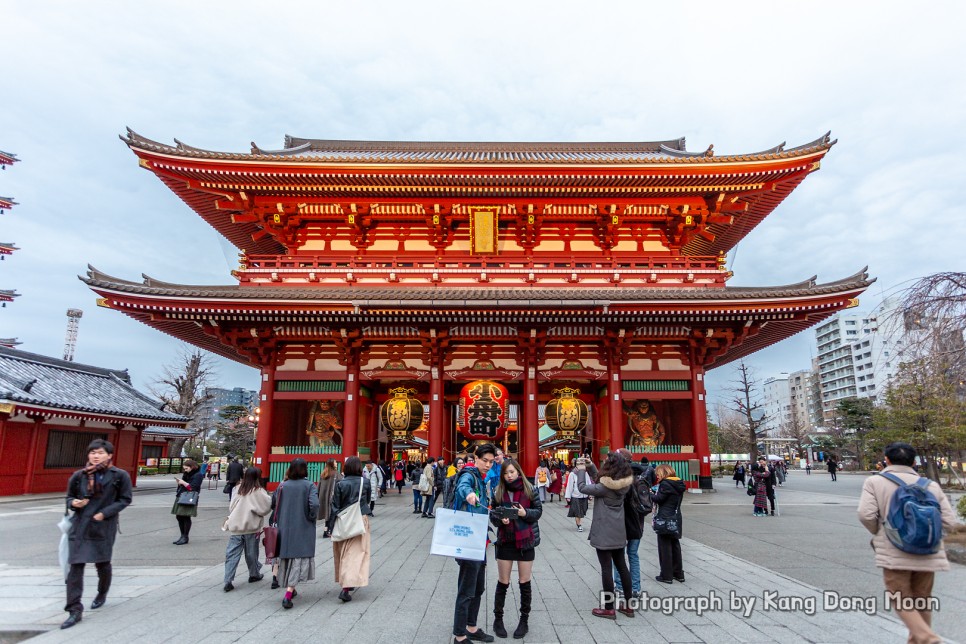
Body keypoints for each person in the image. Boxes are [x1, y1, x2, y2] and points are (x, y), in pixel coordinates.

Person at [857, 442, 958, 644]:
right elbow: (949, 522)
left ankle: (926, 636)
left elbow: (865, 514)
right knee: (922, 599)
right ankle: (920, 638)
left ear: (886, 460)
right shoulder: (931, 485)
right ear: (914, 462)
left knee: (899, 596)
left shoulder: (875, 482)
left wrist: (880, 532)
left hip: (894, 549)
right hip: (928, 548)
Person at [61, 439, 133, 630]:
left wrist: (105, 513)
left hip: (103, 525)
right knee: (75, 566)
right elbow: (69, 497)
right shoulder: (80, 476)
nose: (95, 456)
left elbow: (125, 499)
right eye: (92, 452)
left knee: (102, 563)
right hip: (80, 525)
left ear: (109, 455)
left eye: (100, 453)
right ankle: (74, 609)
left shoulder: (119, 476)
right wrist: (74, 503)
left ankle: (102, 592)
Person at [574, 452, 635, 619]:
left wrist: (580, 470)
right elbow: (600, 478)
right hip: (618, 531)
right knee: (622, 567)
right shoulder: (623, 485)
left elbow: (582, 487)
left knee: (607, 568)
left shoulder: (603, 488)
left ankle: (609, 608)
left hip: (603, 532)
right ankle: (629, 606)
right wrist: (590, 465)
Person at [490, 458, 541, 639]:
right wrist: (500, 519)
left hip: (526, 540)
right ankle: (498, 620)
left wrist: (524, 513)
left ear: (518, 471)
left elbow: (538, 512)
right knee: (503, 582)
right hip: (506, 540)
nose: (509, 475)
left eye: (511, 472)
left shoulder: (530, 489)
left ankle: (524, 620)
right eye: (505, 473)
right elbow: (493, 514)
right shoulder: (498, 491)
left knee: (524, 582)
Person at [452, 443, 497, 643]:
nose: (488, 465)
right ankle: (459, 635)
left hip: (479, 539)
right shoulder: (469, 474)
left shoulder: (482, 478)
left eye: (491, 461)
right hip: (469, 540)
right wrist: (468, 494)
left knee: (478, 588)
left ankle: (471, 626)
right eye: (484, 460)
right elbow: (463, 487)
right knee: (467, 589)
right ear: (476, 459)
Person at [272, 458, 320, 609]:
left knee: (286, 557)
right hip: (302, 526)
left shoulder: (282, 486)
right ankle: (288, 594)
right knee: (298, 558)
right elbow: (315, 504)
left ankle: (289, 587)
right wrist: (311, 517)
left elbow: (273, 503)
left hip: (284, 526)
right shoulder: (309, 485)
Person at [328, 455, 372, 603]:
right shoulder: (365, 482)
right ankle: (346, 587)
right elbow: (367, 500)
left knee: (343, 552)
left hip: (343, 520)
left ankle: (346, 580)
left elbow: (334, 506)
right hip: (360, 519)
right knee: (356, 553)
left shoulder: (340, 483)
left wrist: (330, 526)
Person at [223, 466, 272, 591]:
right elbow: (266, 507)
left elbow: (231, 506)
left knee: (232, 554)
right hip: (251, 526)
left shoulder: (238, 489)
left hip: (236, 525)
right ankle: (254, 573)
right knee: (251, 553)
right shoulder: (258, 491)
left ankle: (228, 579)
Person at [614, 448, 650, 599]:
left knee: (618, 556)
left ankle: (620, 586)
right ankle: (636, 587)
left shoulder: (618, 480)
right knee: (633, 555)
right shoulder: (640, 478)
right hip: (637, 523)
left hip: (620, 522)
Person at [651, 464, 685, 584]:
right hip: (676, 517)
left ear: (664, 473)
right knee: (675, 545)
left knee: (664, 547)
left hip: (665, 519)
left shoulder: (665, 484)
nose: (657, 476)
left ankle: (666, 575)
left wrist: (649, 493)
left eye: (658, 473)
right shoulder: (679, 483)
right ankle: (678, 573)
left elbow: (659, 499)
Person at [171, 458, 204, 545]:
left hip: (189, 497)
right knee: (179, 516)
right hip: (182, 495)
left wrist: (183, 483)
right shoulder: (187, 474)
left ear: (192, 467)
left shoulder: (198, 475)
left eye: (186, 468)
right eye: (184, 469)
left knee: (185, 516)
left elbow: (193, 487)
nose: (185, 470)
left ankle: (185, 536)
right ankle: (182, 536)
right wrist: (180, 483)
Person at [318, 459, 342, 539]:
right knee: (331, 515)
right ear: (332, 464)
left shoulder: (324, 473)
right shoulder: (336, 474)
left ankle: (325, 531)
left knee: (326, 516)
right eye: (335, 462)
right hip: (333, 498)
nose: (336, 463)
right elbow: (341, 484)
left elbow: (319, 487)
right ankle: (329, 531)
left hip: (324, 497)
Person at [564, 456, 589, 532]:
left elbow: (588, 483)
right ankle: (579, 525)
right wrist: (568, 496)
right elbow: (570, 485)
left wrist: (590, 494)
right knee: (578, 511)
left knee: (583, 510)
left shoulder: (585, 473)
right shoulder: (572, 474)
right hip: (575, 495)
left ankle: (579, 523)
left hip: (584, 495)